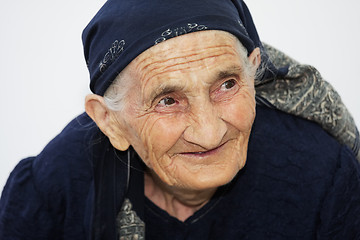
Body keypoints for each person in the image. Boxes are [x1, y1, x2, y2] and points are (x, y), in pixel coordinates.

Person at [1, 0, 359, 239]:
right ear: (110, 122)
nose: (209, 132)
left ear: (253, 74)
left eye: (227, 84)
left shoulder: (323, 179)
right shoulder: (55, 185)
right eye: (168, 100)